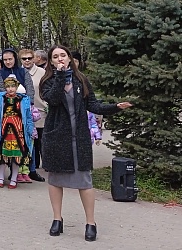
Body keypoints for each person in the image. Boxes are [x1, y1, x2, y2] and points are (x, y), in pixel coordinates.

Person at [40, 45, 131, 242]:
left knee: (85, 181)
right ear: (51, 61)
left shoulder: (81, 80)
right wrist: (60, 76)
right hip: (57, 138)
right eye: (55, 57)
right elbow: (53, 100)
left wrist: (115, 107)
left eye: (63, 55)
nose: (60, 59)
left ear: (70, 58)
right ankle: (57, 219)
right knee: (55, 180)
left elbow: (94, 105)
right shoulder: (47, 81)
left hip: (79, 138)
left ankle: (90, 222)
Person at [0, 75, 34, 189]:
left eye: (13, 86)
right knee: (2, 155)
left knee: (16, 156)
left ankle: (14, 178)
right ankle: (0, 177)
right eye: (8, 86)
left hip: (18, 131)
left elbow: (28, 116)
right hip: (3, 130)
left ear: (17, 87)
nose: (10, 89)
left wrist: (29, 128)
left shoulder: (23, 100)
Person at [21, 48, 46, 181]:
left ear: (34, 59)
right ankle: (26, 169)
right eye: (24, 59)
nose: (27, 61)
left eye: (29, 58)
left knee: (40, 140)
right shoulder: (18, 72)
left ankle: (42, 167)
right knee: (26, 141)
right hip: (22, 113)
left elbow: (46, 91)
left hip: (39, 111)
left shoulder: (42, 72)